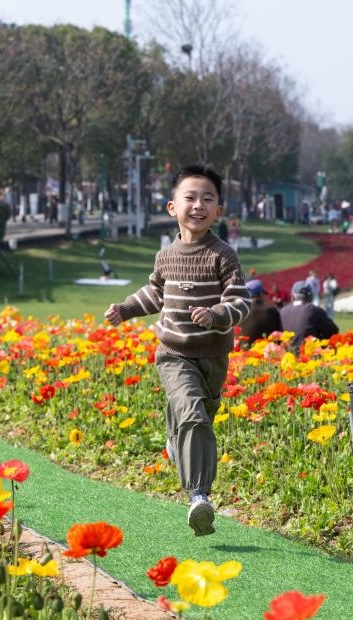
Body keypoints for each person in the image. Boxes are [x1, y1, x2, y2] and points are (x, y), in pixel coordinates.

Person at [104, 165, 250, 537]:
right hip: (173, 351)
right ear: (173, 207)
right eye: (190, 197)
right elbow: (155, 292)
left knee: (201, 413)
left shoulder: (223, 255)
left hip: (213, 355)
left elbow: (240, 302)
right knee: (192, 414)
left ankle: (175, 442)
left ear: (219, 210)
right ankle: (199, 495)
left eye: (208, 199)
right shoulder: (165, 255)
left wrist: (217, 314)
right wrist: (126, 309)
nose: (198, 205)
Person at [280, 283, 338, 350]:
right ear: (311, 298)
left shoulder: (282, 311)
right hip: (310, 356)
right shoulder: (315, 310)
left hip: (285, 356)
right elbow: (333, 331)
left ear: (292, 297)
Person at [238, 279, 282, 347]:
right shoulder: (272, 310)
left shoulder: (240, 312)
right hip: (269, 353)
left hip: (245, 354)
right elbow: (279, 335)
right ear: (260, 294)